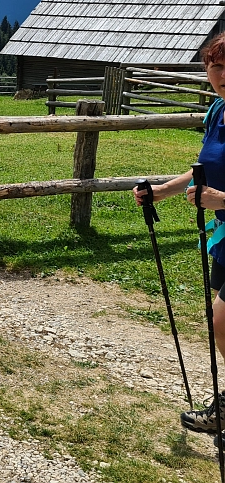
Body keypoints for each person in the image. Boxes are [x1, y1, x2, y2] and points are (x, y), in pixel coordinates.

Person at [134, 32, 225, 435]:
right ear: (206, 69)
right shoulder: (217, 112)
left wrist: (221, 199)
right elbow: (201, 170)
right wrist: (163, 191)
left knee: (222, 321)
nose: (223, 75)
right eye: (217, 66)